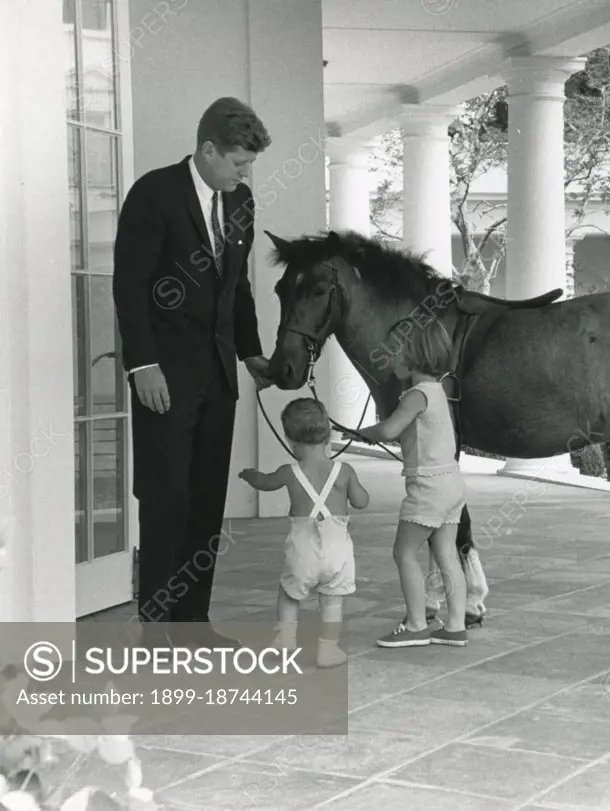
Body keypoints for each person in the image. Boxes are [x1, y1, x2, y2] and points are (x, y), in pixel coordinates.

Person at [113, 97, 274, 647]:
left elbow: (238, 285)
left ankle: (193, 624)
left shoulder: (240, 202)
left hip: (217, 377)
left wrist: (251, 353)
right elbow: (129, 289)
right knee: (165, 499)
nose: (245, 173)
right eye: (239, 163)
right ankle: (155, 631)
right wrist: (143, 365)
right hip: (162, 377)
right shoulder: (153, 194)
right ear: (208, 150)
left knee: (207, 500)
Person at [349, 316, 469, 648]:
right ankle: (456, 626)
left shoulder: (416, 395)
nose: (389, 359)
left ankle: (416, 625)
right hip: (451, 483)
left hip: (428, 487)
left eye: (394, 352)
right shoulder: (439, 391)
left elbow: (388, 430)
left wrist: (360, 433)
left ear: (413, 354)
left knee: (403, 552)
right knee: (446, 552)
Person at [238, 398, 368, 668]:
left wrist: (251, 475)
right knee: (332, 602)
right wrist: (354, 489)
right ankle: (328, 650)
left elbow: (265, 482)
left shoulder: (289, 472)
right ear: (328, 434)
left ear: (290, 439)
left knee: (288, 594)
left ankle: (286, 641)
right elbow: (361, 501)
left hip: (302, 550)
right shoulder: (344, 471)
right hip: (338, 552)